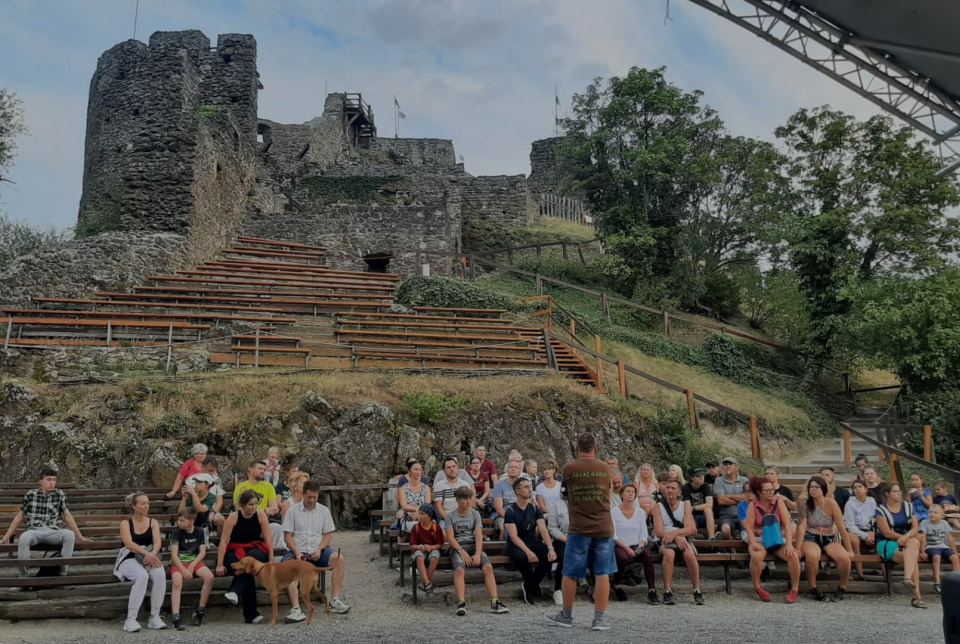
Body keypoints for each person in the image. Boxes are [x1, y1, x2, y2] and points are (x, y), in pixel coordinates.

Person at [545, 432, 616, 631]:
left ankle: (566, 616)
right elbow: (608, 491)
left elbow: (565, 493)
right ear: (596, 450)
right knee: (602, 573)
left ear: (577, 450)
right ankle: (599, 620)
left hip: (578, 528)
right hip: (603, 526)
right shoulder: (605, 468)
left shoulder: (569, 468)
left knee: (570, 573)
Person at [0, 468, 89, 579]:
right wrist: (5, 539)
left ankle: (62, 576)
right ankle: (23, 578)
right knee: (24, 538)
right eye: (48, 479)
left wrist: (80, 537)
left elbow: (68, 516)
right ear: (41, 481)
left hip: (53, 531)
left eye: (54, 480)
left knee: (69, 535)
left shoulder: (59, 494)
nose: (52, 483)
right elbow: (19, 517)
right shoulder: (31, 494)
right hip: (34, 531)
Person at [281, 480, 351, 614]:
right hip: (298, 551)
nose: (312, 500)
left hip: (318, 550)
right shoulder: (292, 511)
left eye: (315, 497)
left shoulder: (324, 511)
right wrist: (296, 551)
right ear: (303, 495)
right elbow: (287, 536)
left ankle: (335, 599)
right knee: (289, 569)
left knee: (339, 559)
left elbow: (327, 535)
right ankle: (296, 608)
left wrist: (320, 549)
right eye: (309, 497)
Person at [445, 486, 510, 616]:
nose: (468, 501)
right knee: (459, 569)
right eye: (464, 499)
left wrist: (478, 553)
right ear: (457, 500)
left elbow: (479, 535)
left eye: (469, 498)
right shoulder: (450, 516)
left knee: (488, 567)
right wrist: (461, 551)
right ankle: (461, 602)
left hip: (474, 545)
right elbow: (451, 538)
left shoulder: (475, 514)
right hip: (458, 546)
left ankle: (495, 601)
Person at [217, 490, 274, 624]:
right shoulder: (233, 517)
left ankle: (234, 591)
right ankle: (251, 614)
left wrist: (271, 559)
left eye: (256, 504)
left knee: (250, 562)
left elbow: (268, 539)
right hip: (235, 550)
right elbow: (224, 541)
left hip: (255, 550)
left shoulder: (261, 516)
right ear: (242, 505)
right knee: (247, 570)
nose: (254, 507)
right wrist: (220, 564)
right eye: (250, 504)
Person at [114, 492, 167, 632]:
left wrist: (153, 554)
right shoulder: (125, 523)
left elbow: (157, 542)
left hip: (150, 557)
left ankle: (154, 617)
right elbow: (129, 544)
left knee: (160, 575)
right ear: (134, 506)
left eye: (147, 503)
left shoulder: (153, 522)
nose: (146, 506)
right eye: (143, 503)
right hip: (130, 558)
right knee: (142, 576)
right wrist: (147, 554)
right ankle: (130, 619)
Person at [744, 476, 801, 603]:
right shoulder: (753, 505)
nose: (771, 492)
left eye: (772, 490)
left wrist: (789, 544)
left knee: (793, 556)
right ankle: (757, 586)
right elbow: (749, 526)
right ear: (759, 492)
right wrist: (753, 543)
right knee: (756, 556)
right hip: (760, 538)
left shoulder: (778, 502)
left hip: (777, 537)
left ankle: (794, 589)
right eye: (767, 490)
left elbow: (787, 524)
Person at [796, 475, 852, 601]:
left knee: (844, 557)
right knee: (812, 555)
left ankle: (843, 587)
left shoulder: (831, 503)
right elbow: (801, 526)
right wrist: (798, 548)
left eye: (816, 487)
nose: (813, 489)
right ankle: (813, 587)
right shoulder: (805, 503)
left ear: (823, 489)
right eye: (811, 487)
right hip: (811, 536)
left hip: (829, 536)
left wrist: (849, 549)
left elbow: (841, 527)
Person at [653, 474, 704, 606]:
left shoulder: (684, 506)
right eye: (668, 487)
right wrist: (674, 536)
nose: (670, 490)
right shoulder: (658, 507)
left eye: (673, 488)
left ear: (679, 491)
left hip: (681, 537)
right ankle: (667, 591)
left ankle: (697, 590)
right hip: (665, 539)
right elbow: (658, 531)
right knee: (669, 553)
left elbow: (689, 529)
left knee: (690, 554)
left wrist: (675, 534)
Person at [505, 477, 556, 604]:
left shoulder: (534, 509)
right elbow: (513, 536)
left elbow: (543, 530)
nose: (530, 490)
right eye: (526, 487)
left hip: (532, 541)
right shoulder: (510, 511)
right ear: (517, 491)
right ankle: (530, 586)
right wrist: (528, 552)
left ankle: (531, 584)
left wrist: (550, 548)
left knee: (547, 556)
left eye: (530, 487)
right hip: (516, 544)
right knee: (522, 557)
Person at [875, 481, 925, 609]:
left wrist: (907, 537)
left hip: (907, 540)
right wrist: (903, 537)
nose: (899, 493)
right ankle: (916, 597)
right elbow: (886, 533)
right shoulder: (880, 510)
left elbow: (915, 527)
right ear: (887, 494)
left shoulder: (908, 506)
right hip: (887, 542)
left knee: (913, 543)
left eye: (899, 491)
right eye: (896, 491)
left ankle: (907, 579)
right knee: (912, 558)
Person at [611, 483, 658, 604]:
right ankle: (616, 584)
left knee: (647, 555)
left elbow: (643, 533)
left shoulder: (640, 512)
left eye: (633, 492)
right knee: (622, 557)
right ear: (622, 494)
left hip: (636, 544)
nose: (631, 493)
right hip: (620, 544)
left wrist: (641, 545)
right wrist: (627, 548)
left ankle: (652, 590)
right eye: (627, 491)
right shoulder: (614, 512)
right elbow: (613, 535)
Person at [169, 507, 214, 630]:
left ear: (191, 521)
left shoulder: (200, 531)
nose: (179, 523)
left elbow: (202, 552)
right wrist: (183, 570)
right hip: (179, 563)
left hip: (194, 562)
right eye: (179, 520)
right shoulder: (176, 533)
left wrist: (192, 565)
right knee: (177, 581)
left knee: (209, 577)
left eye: (182, 520)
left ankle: (199, 612)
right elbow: (174, 555)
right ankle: (176, 617)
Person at [920, 504, 959, 594]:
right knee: (936, 557)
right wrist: (922, 551)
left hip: (944, 546)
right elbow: (923, 538)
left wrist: (955, 551)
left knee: (955, 558)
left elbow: (950, 538)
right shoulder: (924, 523)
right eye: (930, 512)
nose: (932, 514)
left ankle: (956, 581)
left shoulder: (944, 523)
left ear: (942, 516)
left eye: (935, 512)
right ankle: (937, 582)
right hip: (931, 547)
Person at [843, 478, 878, 580]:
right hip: (853, 529)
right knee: (854, 541)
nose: (857, 489)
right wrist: (864, 535)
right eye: (855, 488)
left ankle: (885, 574)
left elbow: (874, 518)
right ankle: (860, 574)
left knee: (879, 538)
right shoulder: (850, 504)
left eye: (860, 487)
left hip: (869, 529)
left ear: (866, 489)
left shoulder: (871, 501)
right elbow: (850, 525)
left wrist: (872, 532)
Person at [410, 503, 444, 596]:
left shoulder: (436, 527)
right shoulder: (416, 527)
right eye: (419, 513)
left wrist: (431, 547)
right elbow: (412, 545)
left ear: (429, 516)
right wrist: (420, 547)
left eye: (422, 514)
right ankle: (428, 584)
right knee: (419, 558)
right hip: (420, 548)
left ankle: (425, 582)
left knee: (434, 558)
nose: (420, 516)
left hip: (433, 548)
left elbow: (440, 544)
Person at [433, 457, 473, 530]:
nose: (452, 469)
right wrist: (450, 520)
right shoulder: (439, 485)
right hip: (446, 519)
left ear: (457, 467)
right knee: (442, 533)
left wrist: (463, 518)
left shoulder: (465, 484)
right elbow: (438, 506)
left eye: (453, 466)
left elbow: (469, 504)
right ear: (444, 471)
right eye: (448, 467)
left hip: (463, 518)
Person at [714, 457, 748, 539]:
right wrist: (740, 499)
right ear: (723, 467)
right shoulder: (719, 481)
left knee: (751, 528)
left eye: (730, 464)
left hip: (744, 514)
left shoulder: (744, 480)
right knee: (725, 529)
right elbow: (721, 501)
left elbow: (748, 497)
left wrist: (729, 495)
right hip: (727, 516)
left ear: (737, 467)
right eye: (725, 464)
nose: (728, 466)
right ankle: (732, 550)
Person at [187, 457, 225, 529]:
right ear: (202, 467)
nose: (211, 473)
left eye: (213, 471)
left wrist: (213, 513)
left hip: (212, 510)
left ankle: (220, 540)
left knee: (221, 519)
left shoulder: (217, 480)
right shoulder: (192, 479)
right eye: (209, 471)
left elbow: (219, 500)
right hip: (195, 510)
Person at [546, 497, 570, 606]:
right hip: (562, 538)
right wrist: (565, 539)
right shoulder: (557, 505)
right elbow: (552, 527)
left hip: (581, 538)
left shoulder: (584, 504)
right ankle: (558, 589)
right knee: (565, 557)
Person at [399, 461, 432, 538]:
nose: (418, 472)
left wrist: (419, 511)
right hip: (409, 516)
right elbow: (404, 506)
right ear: (409, 471)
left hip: (424, 515)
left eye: (419, 470)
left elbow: (427, 505)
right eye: (415, 469)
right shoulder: (403, 488)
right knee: (416, 527)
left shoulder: (426, 488)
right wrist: (416, 509)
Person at [682, 468, 715, 538]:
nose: (701, 478)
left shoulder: (705, 486)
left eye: (702, 475)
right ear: (692, 478)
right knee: (690, 527)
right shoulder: (685, 488)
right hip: (691, 517)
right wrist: (692, 522)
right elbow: (688, 508)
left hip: (703, 516)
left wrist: (693, 507)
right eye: (698, 476)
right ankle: (691, 543)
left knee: (708, 510)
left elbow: (710, 505)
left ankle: (712, 537)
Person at [492, 460, 522, 537]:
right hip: (503, 516)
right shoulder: (499, 485)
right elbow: (499, 508)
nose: (513, 469)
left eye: (516, 467)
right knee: (506, 528)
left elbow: (528, 504)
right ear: (507, 470)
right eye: (511, 467)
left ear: (519, 472)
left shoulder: (524, 485)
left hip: (521, 515)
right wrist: (512, 518)